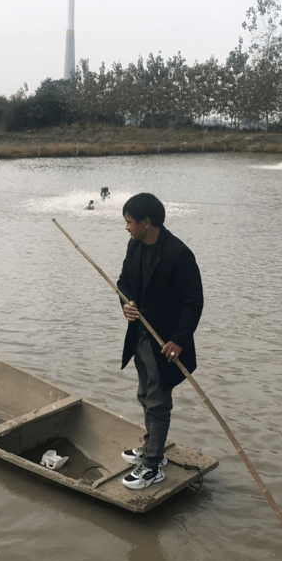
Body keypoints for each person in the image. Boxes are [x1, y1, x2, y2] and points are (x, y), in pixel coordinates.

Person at [116, 193, 203, 489]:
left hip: (165, 344)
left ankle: (152, 466)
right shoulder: (135, 244)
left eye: (129, 222)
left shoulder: (179, 254)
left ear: (147, 222)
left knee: (157, 401)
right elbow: (124, 282)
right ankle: (153, 447)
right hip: (140, 335)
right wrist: (126, 303)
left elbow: (194, 302)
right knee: (145, 395)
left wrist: (178, 340)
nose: (126, 228)